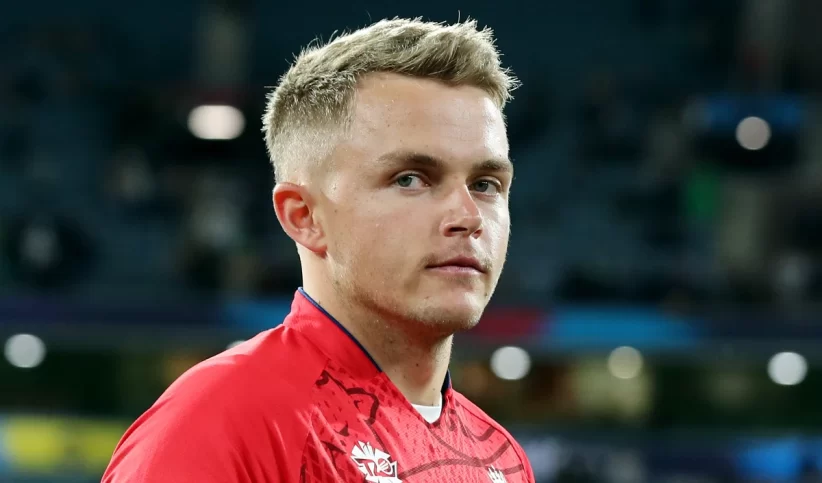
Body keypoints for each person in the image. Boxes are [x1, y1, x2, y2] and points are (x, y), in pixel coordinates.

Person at [103, 17, 534, 482]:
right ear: (304, 216)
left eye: (486, 184)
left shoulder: (503, 461)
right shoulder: (220, 424)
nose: (468, 216)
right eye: (410, 179)